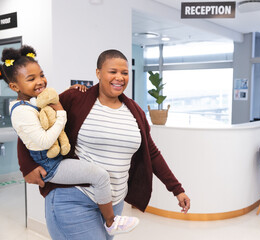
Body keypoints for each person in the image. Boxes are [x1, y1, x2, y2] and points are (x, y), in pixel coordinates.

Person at [16, 48, 191, 240]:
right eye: (113, 71)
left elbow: (152, 152)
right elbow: (32, 125)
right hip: (74, 199)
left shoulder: (135, 112)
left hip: (113, 203)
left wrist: (177, 189)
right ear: (98, 73)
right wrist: (27, 166)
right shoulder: (75, 99)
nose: (120, 77)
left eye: (124, 73)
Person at [0, 46, 140, 237]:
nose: (40, 81)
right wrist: (61, 116)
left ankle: (110, 218)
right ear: (98, 73)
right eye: (31, 79)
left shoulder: (36, 102)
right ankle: (111, 221)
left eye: (41, 75)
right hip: (54, 168)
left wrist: (68, 93)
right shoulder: (23, 110)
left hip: (109, 195)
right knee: (99, 175)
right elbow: (33, 138)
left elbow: (46, 114)